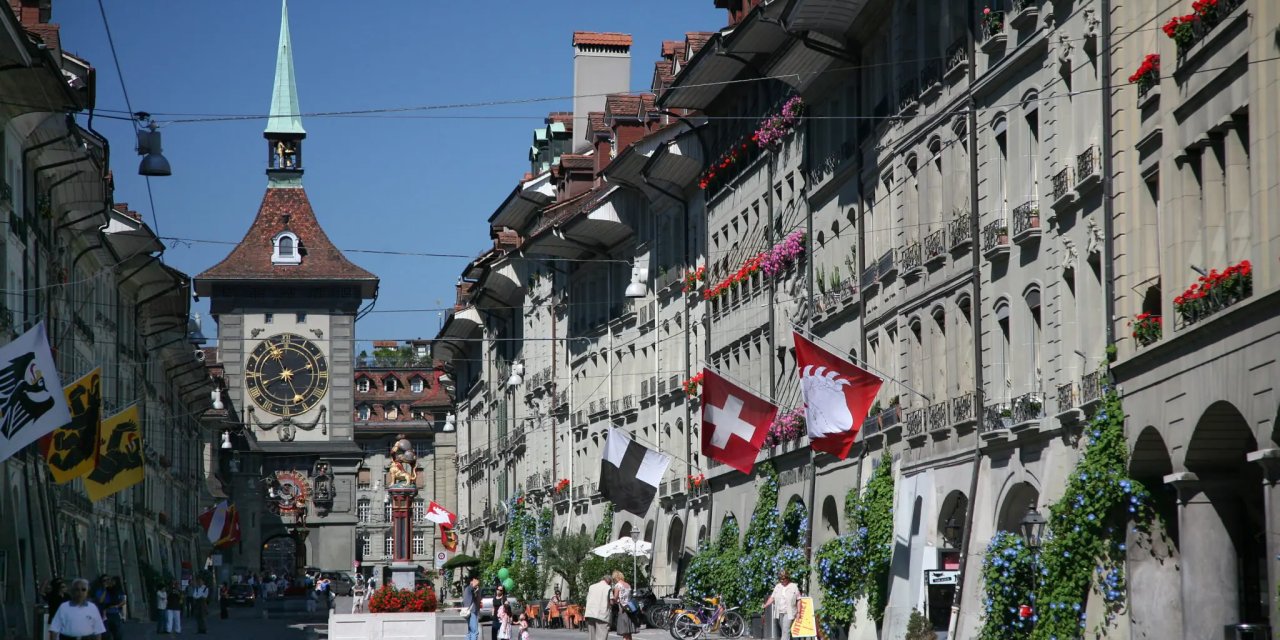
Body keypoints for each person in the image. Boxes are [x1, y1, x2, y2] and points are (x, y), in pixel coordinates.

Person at [762, 570, 799, 640]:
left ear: (787, 578)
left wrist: (799, 612)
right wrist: (766, 605)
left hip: (789, 612)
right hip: (779, 612)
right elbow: (772, 597)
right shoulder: (777, 586)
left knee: (785, 630)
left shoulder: (793, 586)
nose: (781, 580)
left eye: (783, 579)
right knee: (785, 630)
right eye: (780, 579)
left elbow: (798, 599)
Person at [93, 576, 126, 640]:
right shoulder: (100, 591)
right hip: (104, 615)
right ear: (102, 582)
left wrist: (117, 606)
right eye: (104, 580)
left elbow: (122, 600)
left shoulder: (115, 590)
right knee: (106, 635)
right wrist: (105, 590)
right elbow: (101, 601)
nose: (107, 582)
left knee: (118, 634)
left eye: (108, 580)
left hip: (115, 614)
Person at [584, 575, 612, 640]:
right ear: (609, 581)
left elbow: (587, 599)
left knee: (592, 637)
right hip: (601, 615)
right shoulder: (608, 588)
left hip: (590, 614)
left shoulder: (591, 586)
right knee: (601, 636)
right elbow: (611, 602)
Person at [610, 571, 635, 640]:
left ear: (615, 578)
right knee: (629, 631)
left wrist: (611, 599)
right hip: (630, 608)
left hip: (622, 608)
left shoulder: (618, 585)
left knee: (624, 630)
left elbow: (615, 598)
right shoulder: (627, 585)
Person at [461, 575, 481, 640]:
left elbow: (477, 600)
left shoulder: (468, 589)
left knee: (469, 631)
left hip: (468, 611)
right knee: (474, 632)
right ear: (471, 581)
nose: (477, 582)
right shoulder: (469, 588)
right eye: (475, 580)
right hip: (471, 611)